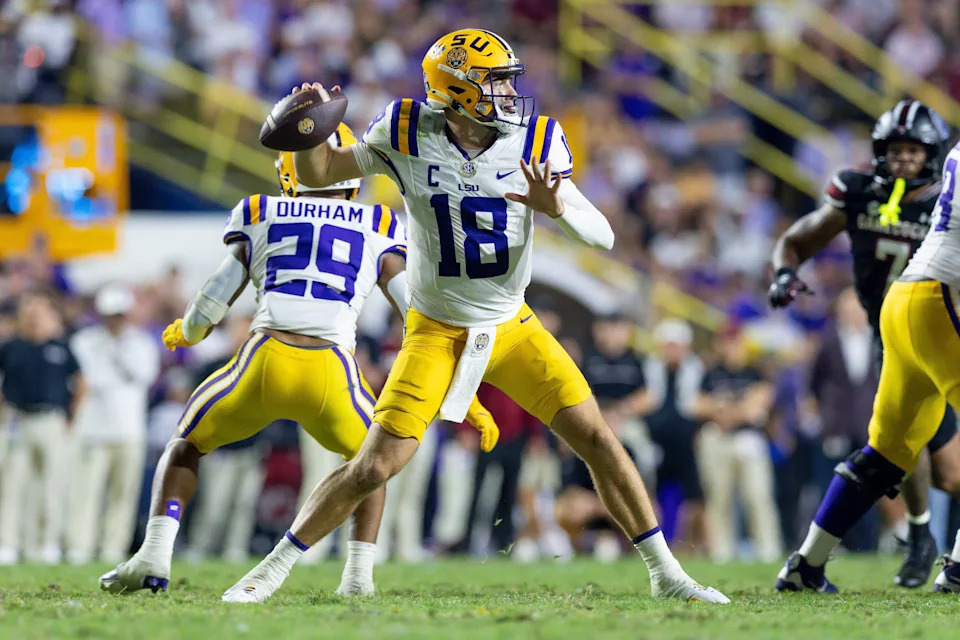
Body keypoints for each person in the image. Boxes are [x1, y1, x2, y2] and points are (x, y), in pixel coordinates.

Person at [226, 28, 728, 604]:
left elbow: (604, 235)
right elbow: (321, 174)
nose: (510, 94)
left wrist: (557, 205)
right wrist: (307, 129)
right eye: (494, 82)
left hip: (513, 327)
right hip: (434, 329)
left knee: (597, 437)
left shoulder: (537, 140)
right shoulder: (406, 128)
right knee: (375, 464)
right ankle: (272, 568)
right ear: (456, 90)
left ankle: (668, 574)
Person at [100, 124, 497, 597]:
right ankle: (357, 577)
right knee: (369, 465)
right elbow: (416, 313)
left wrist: (188, 330)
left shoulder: (258, 210)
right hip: (332, 369)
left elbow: (216, 296)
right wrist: (460, 388)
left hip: (263, 359)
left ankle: (155, 555)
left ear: (288, 170)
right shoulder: (379, 223)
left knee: (185, 444)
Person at [769, 100, 960, 589]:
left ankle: (806, 566)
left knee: (887, 451)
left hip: (903, 305)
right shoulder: (860, 192)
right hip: (941, 301)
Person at [68, 284, 160, 564]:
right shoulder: (84, 340)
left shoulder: (141, 343)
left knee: (123, 493)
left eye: (119, 314)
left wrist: (117, 349)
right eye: (110, 314)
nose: (115, 319)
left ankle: (113, 548)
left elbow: (143, 375)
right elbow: (88, 379)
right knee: (87, 492)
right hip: (93, 428)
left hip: (129, 429)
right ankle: (79, 547)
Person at [0, 291, 85, 565]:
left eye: (40, 310)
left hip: (51, 419)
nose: (34, 316)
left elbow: (81, 384)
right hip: (18, 420)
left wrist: (71, 419)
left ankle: (47, 543)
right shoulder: (11, 347)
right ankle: (10, 544)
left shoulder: (61, 347)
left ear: (50, 315)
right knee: (13, 485)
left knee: (52, 485)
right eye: (29, 310)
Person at [693, 325, 781, 562]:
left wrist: (723, 409)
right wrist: (736, 409)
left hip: (749, 439)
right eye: (727, 342)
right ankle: (721, 551)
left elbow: (758, 407)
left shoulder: (755, 372)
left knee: (758, 496)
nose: (732, 348)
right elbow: (698, 406)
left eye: (736, 342)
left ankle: (768, 551)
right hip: (718, 439)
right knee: (718, 497)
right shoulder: (711, 373)